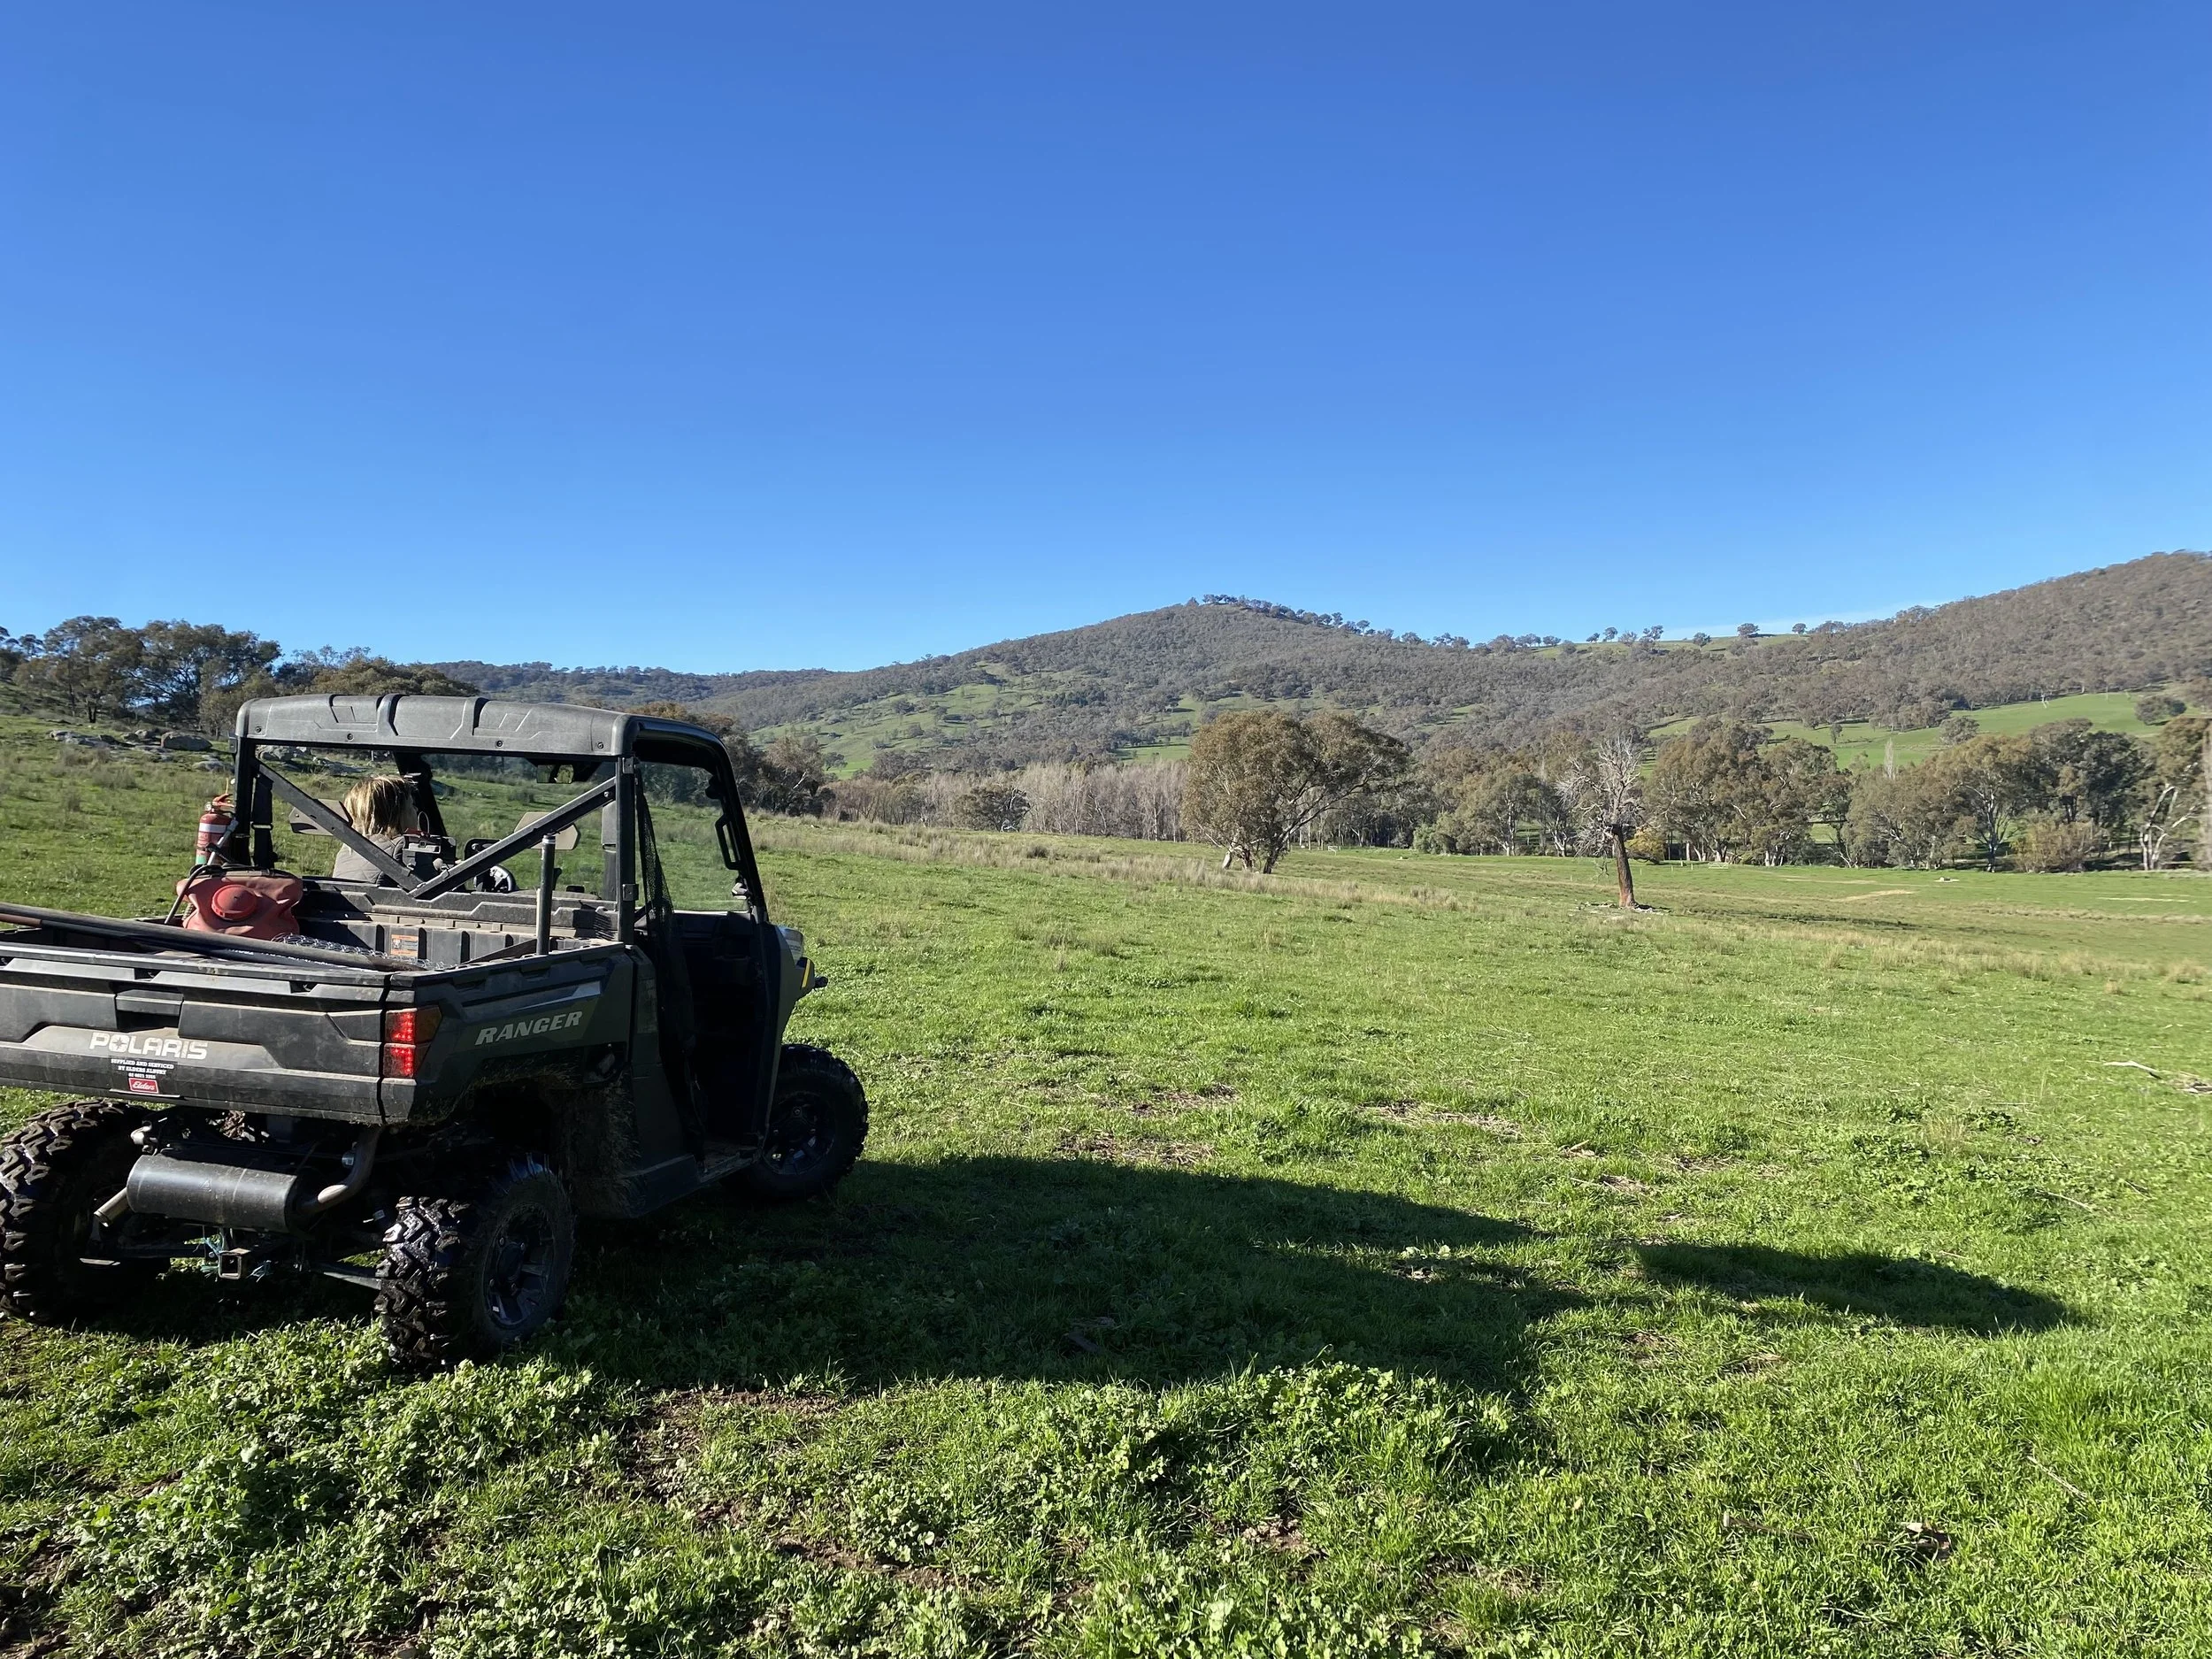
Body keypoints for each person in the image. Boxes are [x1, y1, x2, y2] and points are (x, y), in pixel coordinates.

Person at [331, 775, 423, 883]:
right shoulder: (404, 847)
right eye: (411, 805)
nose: (416, 809)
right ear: (397, 814)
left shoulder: (348, 849)